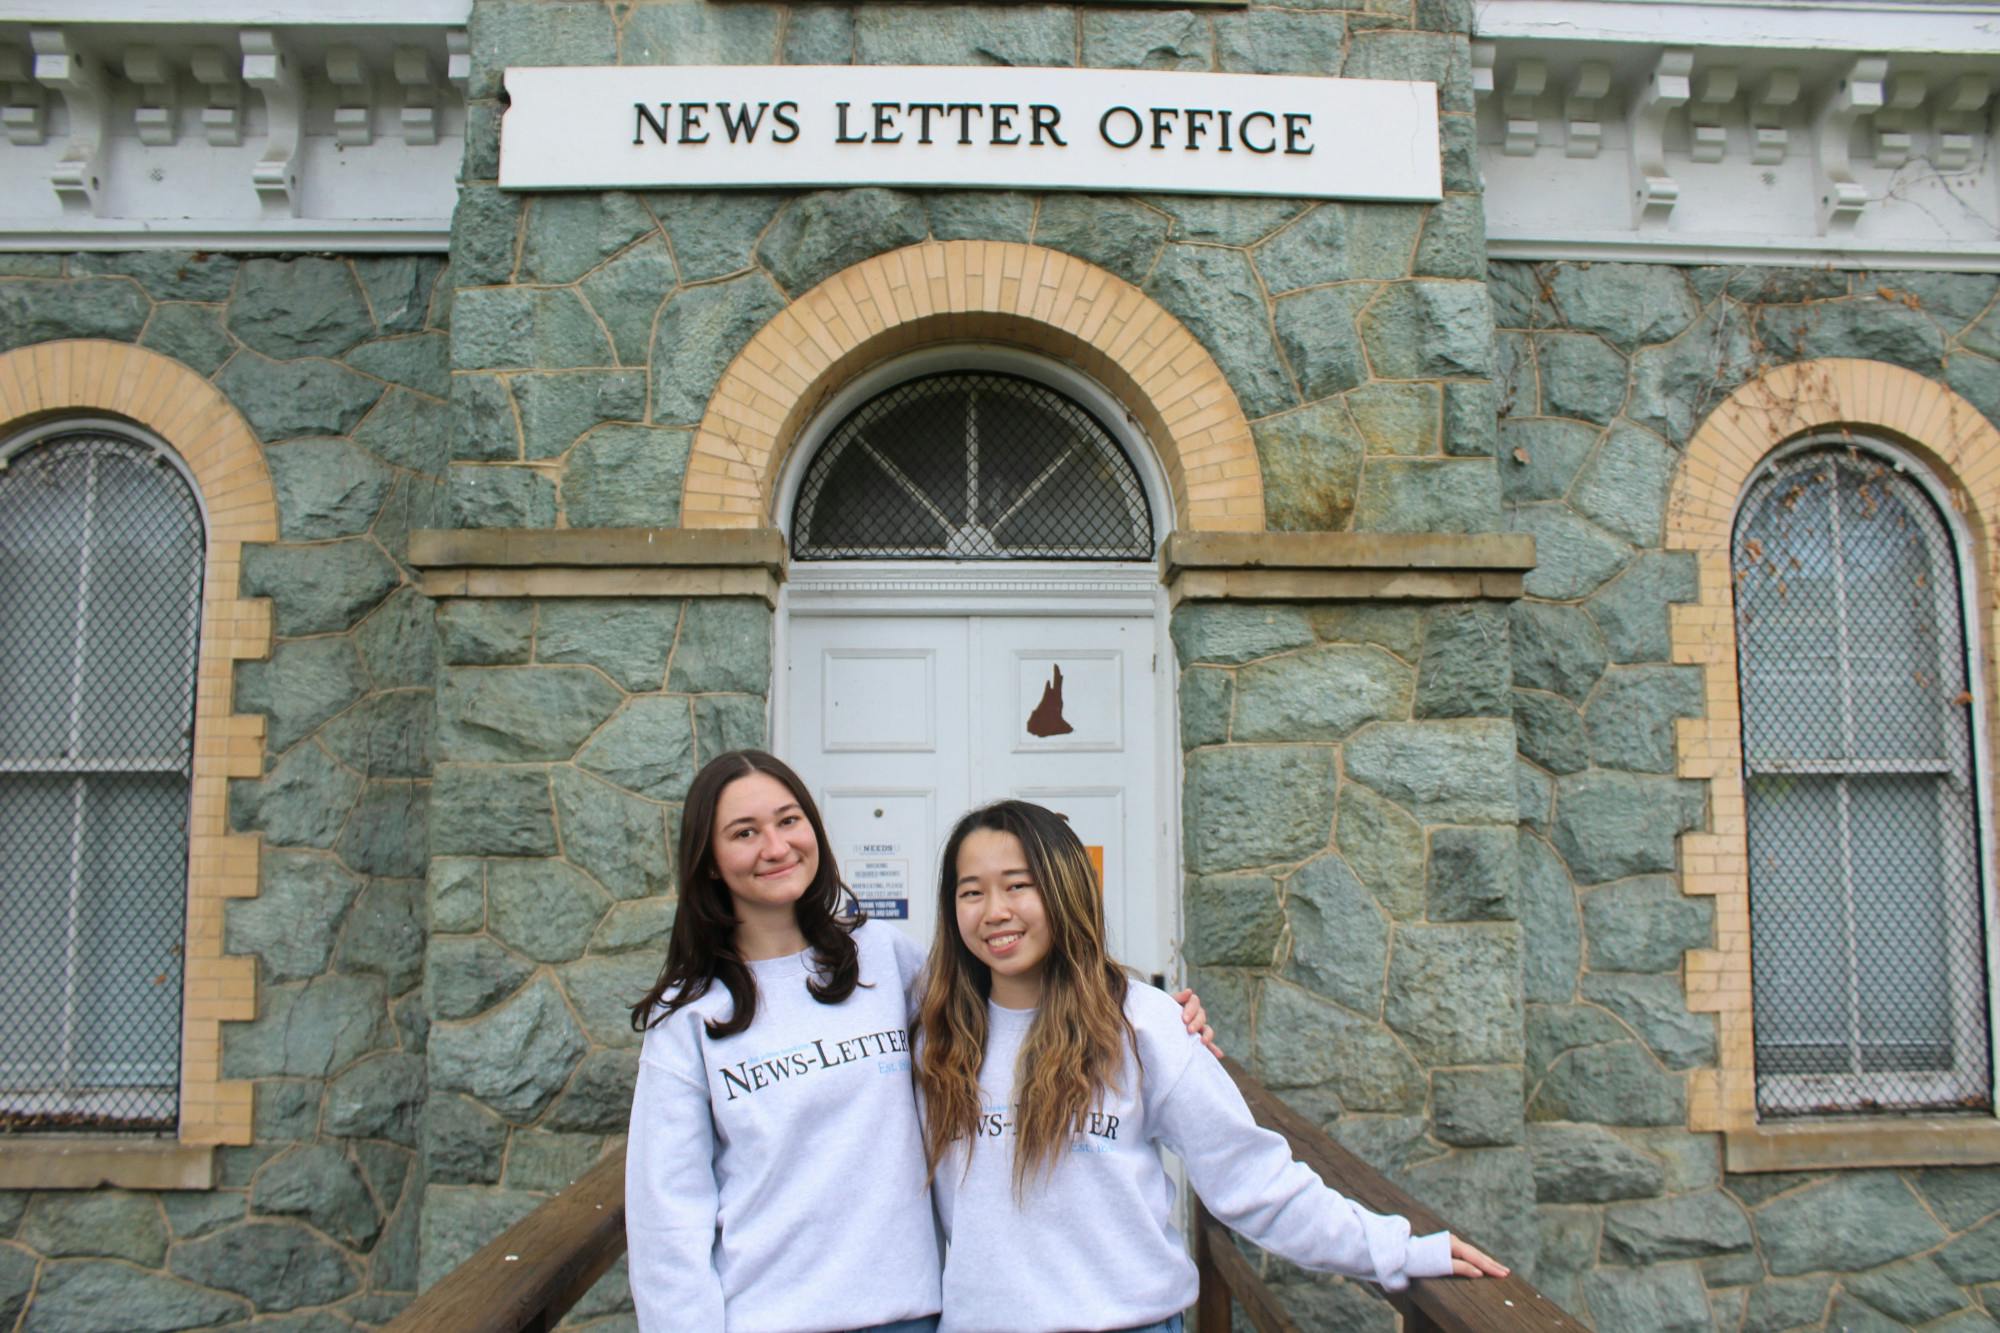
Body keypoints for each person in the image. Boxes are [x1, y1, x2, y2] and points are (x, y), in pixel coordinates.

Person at [623, 752, 1215, 1333]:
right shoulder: (689, 1020)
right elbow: (667, 1222)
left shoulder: (884, 957)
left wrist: (1156, 1016)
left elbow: (1016, 991)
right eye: (744, 832)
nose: (775, 847)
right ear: (708, 860)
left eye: (788, 820)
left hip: (911, 1312)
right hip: (769, 1316)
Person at [916, 799, 1511, 1333]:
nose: (994, 910)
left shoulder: (1141, 1026)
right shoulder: (933, 1040)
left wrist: (1398, 1249)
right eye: (971, 892)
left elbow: (1250, 1180)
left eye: (1017, 885)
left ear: (1064, 890)